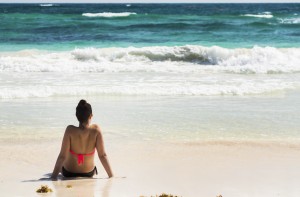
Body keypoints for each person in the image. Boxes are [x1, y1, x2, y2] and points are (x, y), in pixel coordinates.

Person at [51, 99, 113, 179]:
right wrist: (111, 176)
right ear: (91, 116)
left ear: (77, 116)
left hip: (69, 173)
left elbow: (62, 156)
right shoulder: (96, 130)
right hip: (89, 173)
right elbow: (102, 155)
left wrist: (53, 177)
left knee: (55, 170)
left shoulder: (70, 130)